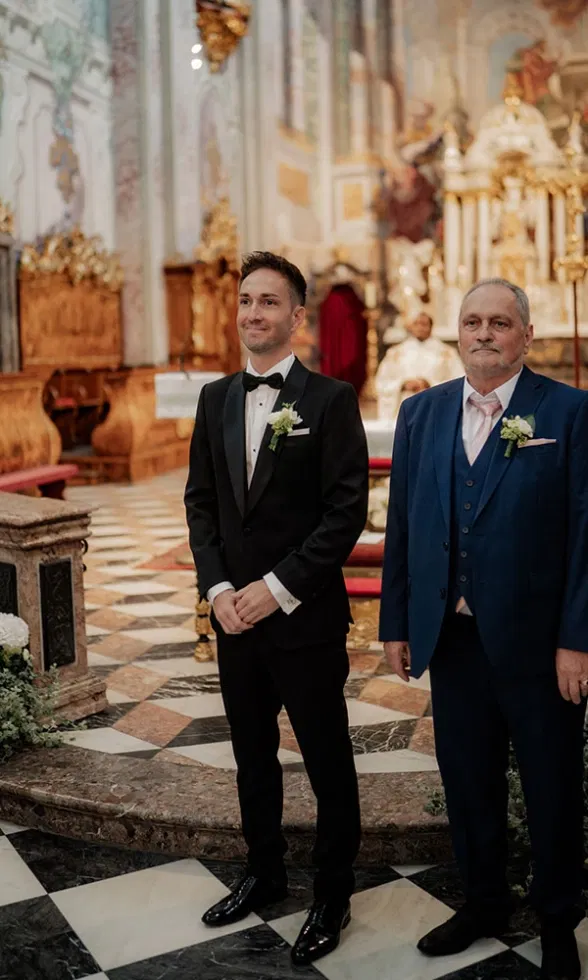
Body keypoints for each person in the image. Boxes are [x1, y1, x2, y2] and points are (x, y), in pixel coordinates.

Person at [379, 278, 588, 980]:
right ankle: (484, 903)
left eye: (500, 322)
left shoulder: (569, 412)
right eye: (472, 321)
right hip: (454, 640)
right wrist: (397, 621)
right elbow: (403, 524)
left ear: (526, 335)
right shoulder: (421, 413)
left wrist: (577, 639)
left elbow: (586, 534)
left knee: (552, 786)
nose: (485, 333)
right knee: (468, 781)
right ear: (457, 332)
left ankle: (557, 921)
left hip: (540, 647)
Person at [184, 251, 368, 967]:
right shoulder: (214, 399)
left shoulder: (330, 400)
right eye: (246, 300)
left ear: (297, 316)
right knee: (251, 755)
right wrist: (220, 592)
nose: (253, 312)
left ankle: (332, 892)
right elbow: (202, 505)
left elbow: (344, 513)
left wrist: (277, 588)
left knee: (327, 759)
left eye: (269, 301)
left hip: (304, 617)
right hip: (235, 620)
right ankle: (263, 870)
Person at [376, 311, 463, 420]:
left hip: (435, 405)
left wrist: (430, 384)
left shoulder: (446, 353)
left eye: (424, 324)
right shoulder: (396, 353)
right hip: (404, 404)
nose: (420, 328)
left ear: (431, 327)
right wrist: (403, 384)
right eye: (416, 324)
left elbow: (458, 381)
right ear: (411, 327)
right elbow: (382, 382)